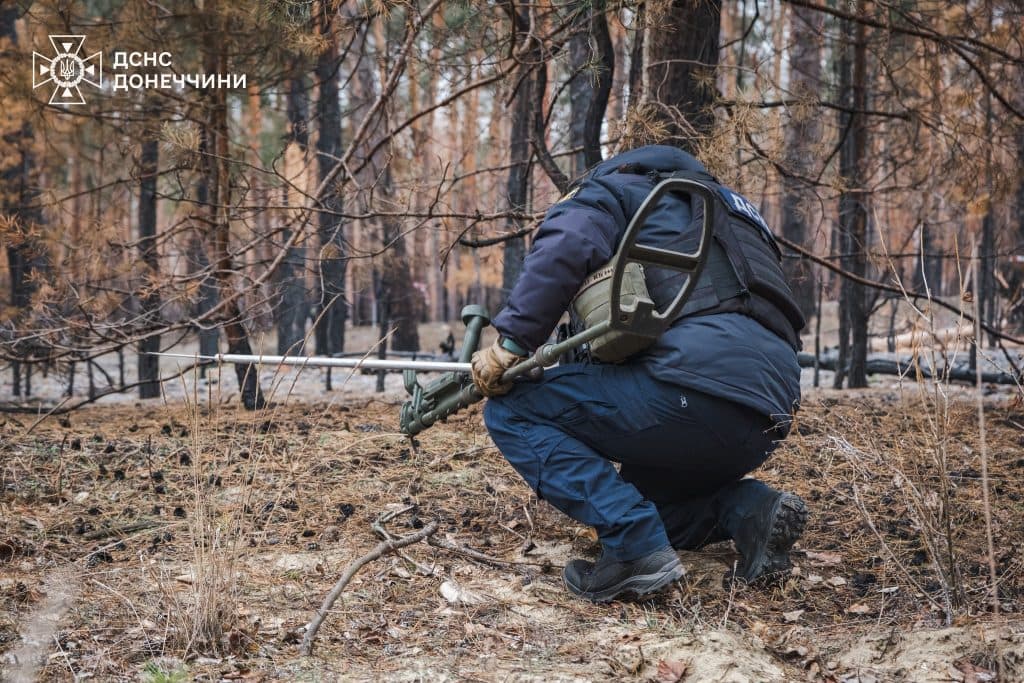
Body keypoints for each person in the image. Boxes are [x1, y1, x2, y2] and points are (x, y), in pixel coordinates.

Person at [470, 144, 808, 603]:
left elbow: (567, 243)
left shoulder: (615, 189)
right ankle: (750, 511)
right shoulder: (736, 212)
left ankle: (633, 549)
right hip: (767, 415)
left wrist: (511, 344)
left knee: (512, 411)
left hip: (688, 390)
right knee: (654, 508)